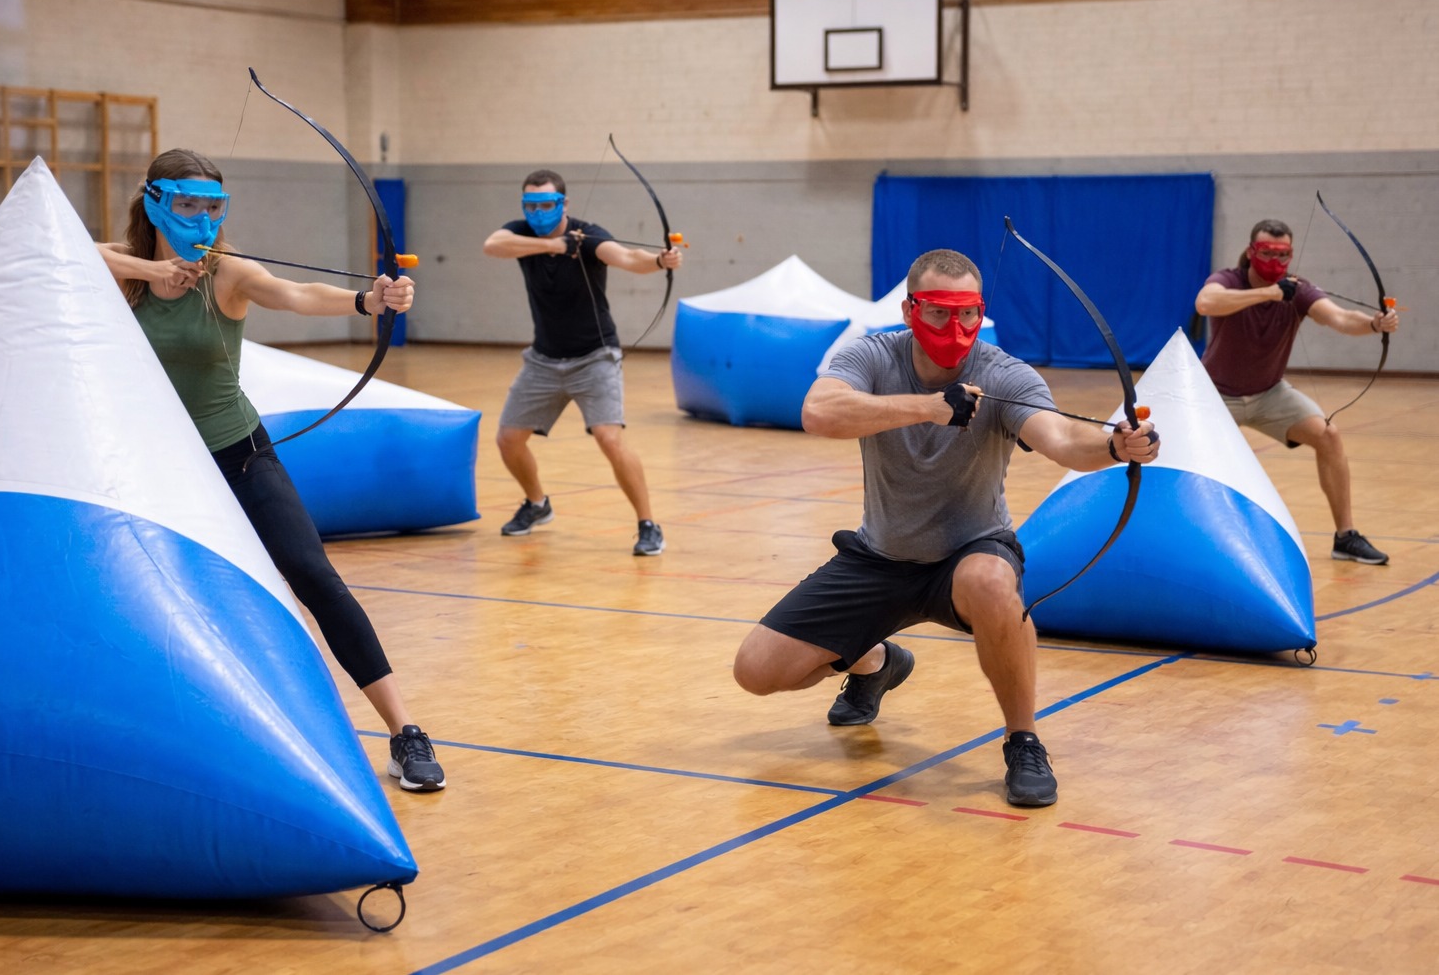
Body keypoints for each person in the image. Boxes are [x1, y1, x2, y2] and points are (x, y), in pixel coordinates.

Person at [731, 249, 1160, 808]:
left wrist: (1112, 444)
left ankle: (1023, 740)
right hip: (879, 557)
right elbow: (819, 411)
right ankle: (879, 662)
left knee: (988, 582)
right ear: (911, 309)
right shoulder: (873, 355)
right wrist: (928, 408)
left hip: (971, 553)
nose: (954, 329)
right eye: (938, 312)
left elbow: (1057, 438)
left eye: (967, 314)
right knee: (756, 671)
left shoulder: (1004, 372)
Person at [97, 148, 445, 792]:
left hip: (237, 451)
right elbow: (66, 249)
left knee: (311, 572)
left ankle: (404, 732)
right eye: (188, 204)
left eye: (214, 206)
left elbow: (294, 293)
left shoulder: (227, 272)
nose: (202, 219)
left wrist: (368, 301)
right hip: (155, 465)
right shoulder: (124, 269)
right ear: (154, 203)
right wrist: (153, 268)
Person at [482, 169, 684, 556]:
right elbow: (493, 245)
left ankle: (648, 524)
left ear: (564, 204)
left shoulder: (587, 234)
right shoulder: (519, 233)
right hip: (543, 359)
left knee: (610, 438)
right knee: (508, 440)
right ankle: (538, 504)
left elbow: (626, 256)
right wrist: (552, 247)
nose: (538, 211)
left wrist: (660, 261)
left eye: (547, 204)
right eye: (531, 205)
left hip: (595, 357)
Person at [1195, 218, 1401, 565]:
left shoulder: (1298, 289)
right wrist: (1269, 293)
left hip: (1270, 394)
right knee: (1194, 459)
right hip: (1216, 396)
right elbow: (1206, 303)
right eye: (1266, 252)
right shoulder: (1228, 279)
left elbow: (1337, 317)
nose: (1275, 261)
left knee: (1329, 436)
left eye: (1283, 253)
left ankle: (1345, 537)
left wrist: (1373, 323)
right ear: (1251, 251)